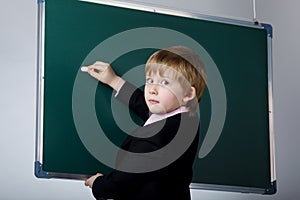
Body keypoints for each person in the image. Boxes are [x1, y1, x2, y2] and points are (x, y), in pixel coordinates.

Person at [84, 46, 207, 200]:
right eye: (150, 80)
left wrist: (97, 184)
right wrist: (114, 81)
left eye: (164, 82)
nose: (152, 90)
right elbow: (145, 107)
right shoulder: (186, 118)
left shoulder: (154, 139)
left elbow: (118, 186)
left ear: (188, 93)